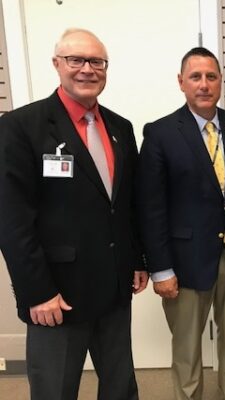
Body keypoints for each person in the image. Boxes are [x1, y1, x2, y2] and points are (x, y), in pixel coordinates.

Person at [0, 28, 148, 400]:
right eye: (75, 60)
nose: (86, 69)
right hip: (57, 296)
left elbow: (126, 204)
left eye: (96, 61)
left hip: (114, 291)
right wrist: (37, 292)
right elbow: (12, 220)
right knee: (55, 391)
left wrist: (137, 260)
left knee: (120, 388)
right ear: (57, 64)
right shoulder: (21, 128)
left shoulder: (120, 128)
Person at [136, 47, 225, 400]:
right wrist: (159, 269)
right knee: (187, 346)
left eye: (211, 76)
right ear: (181, 83)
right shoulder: (161, 133)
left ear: (220, 81)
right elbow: (151, 206)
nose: (204, 84)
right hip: (184, 260)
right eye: (195, 77)